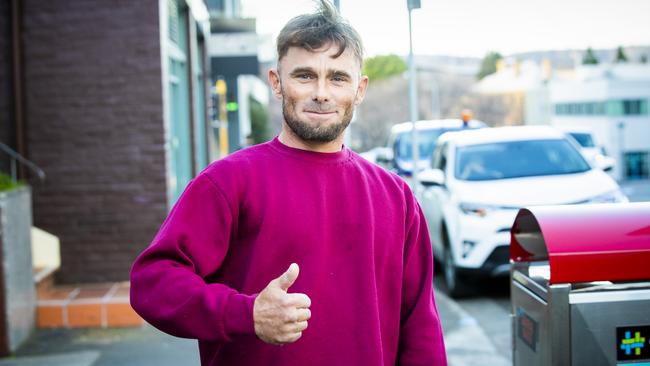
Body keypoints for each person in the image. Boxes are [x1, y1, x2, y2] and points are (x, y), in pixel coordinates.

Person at [130, 1, 447, 365]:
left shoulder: (397, 198)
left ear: (359, 90)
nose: (322, 92)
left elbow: (421, 328)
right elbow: (152, 282)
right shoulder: (228, 181)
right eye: (305, 75)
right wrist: (244, 314)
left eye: (338, 77)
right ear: (277, 83)